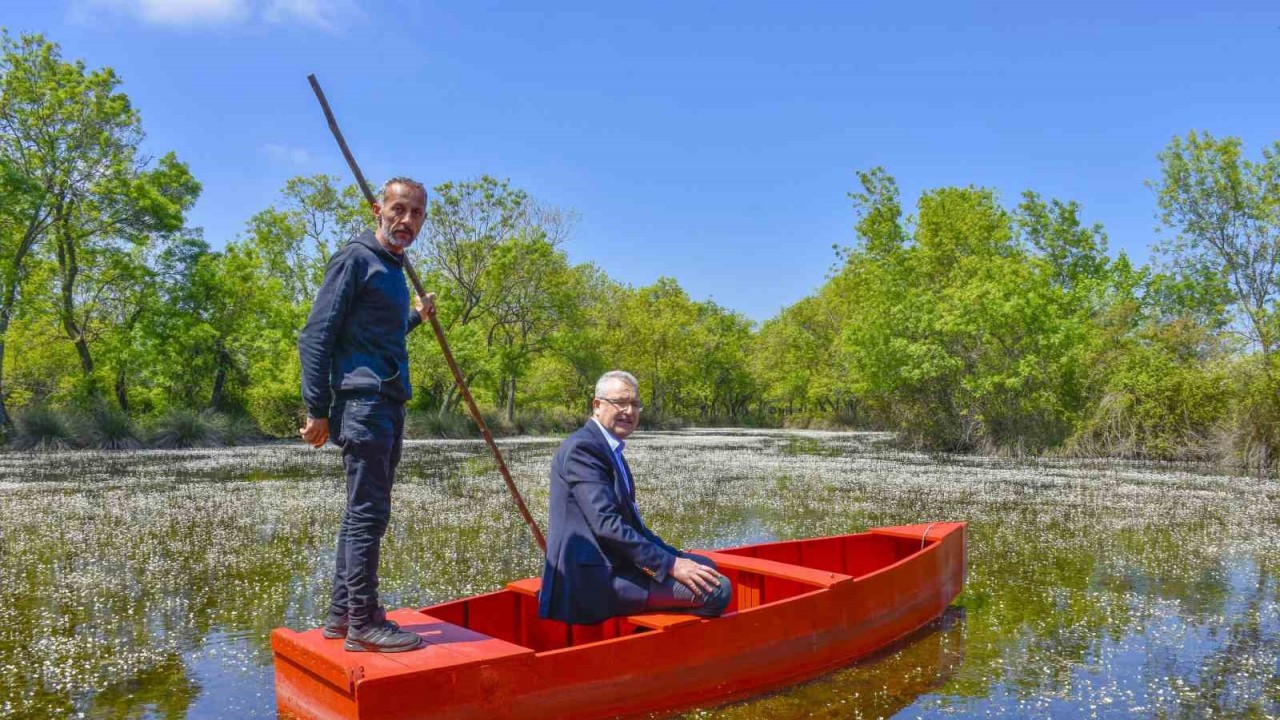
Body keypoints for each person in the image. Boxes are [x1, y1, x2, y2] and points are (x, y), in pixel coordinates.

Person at [298, 177, 436, 653]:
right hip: (363, 405)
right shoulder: (355, 259)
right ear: (378, 210)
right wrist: (317, 408)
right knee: (368, 515)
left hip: (386, 402)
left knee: (362, 513)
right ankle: (363, 623)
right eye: (399, 210)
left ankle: (342, 616)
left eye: (416, 214)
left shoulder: (391, 267)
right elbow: (316, 336)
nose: (407, 221)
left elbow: (378, 337)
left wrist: (416, 318)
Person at [538, 370, 732, 625]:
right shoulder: (583, 449)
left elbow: (633, 526)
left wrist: (674, 557)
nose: (629, 411)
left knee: (705, 565)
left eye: (635, 404)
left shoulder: (609, 448)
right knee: (717, 590)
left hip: (613, 563)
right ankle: (651, 642)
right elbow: (607, 525)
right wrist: (671, 565)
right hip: (592, 579)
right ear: (597, 405)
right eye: (620, 402)